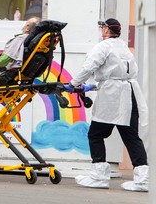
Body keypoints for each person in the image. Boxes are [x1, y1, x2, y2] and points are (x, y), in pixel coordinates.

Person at [64, 18, 149, 192]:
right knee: (131, 137)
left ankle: (99, 176)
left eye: (102, 27)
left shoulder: (103, 46)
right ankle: (143, 179)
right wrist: (92, 86)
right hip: (129, 93)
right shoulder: (124, 47)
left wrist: (73, 84)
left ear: (105, 30)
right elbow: (119, 74)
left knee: (95, 134)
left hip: (112, 96)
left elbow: (89, 67)